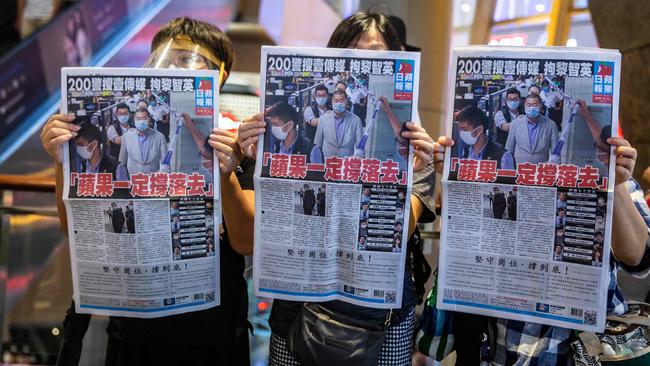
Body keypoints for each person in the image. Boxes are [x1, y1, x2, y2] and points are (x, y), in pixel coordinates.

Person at [40, 17, 255, 366]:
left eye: (187, 59)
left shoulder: (240, 144)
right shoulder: (129, 139)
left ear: (220, 76)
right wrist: (62, 158)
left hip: (214, 331)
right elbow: (75, 228)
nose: (171, 67)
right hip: (134, 324)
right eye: (161, 58)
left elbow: (245, 241)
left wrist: (226, 172)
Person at [237, 10, 437, 365]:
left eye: (374, 52)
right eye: (348, 52)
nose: (359, 62)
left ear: (398, 56)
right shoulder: (306, 128)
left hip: (380, 321)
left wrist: (404, 172)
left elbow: (399, 230)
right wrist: (254, 155)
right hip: (298, 310)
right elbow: (256, 228)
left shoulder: (415, 148)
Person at [432, 126, 650, 366]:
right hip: (505, 345)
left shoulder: (614, 180)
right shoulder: (499, 174)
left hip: (585, 349)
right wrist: (450, 175)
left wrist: (616, 183)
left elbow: (635, 257)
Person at [505, 93, 559, 165]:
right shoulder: (515, 124)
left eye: (535, 105)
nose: (531, 108)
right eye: (528, 105)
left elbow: (556, 154)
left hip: (541, 170)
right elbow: (509, 150)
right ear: (524, 106)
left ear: (540, 106)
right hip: (519, 169)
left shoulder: (551, 125)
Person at [313, 88, 363, 158]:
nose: (338, 103)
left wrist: (356, 158)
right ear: (332, 102)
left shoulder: (356, 121)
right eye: (335, 101)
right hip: (327, 163)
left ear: (346, 102)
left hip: (346, 164)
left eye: (341, 100)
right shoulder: (323, 119)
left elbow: (360, 148)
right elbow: (317, 144)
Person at [118, 107, 168, 175]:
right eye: (138, 119)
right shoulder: (126, 137)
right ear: (134, 120)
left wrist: (165, 180)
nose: (141, 121)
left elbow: (165, 163)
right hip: (133, 179)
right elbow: (122, 162)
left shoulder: (159, 137)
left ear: (149, 119)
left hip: (153, 179)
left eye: (144, 119)